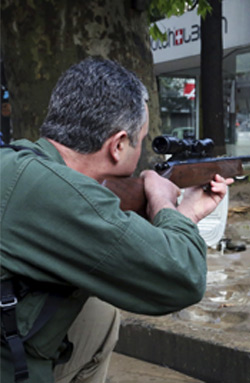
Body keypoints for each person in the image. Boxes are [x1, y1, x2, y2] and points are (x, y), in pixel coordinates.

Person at [0, 58, 233, 382]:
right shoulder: (61, 196)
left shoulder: (19, 162)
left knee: (97, 316)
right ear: (119, 144)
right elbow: (183, 278)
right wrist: (172, 207)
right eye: (143, 138)